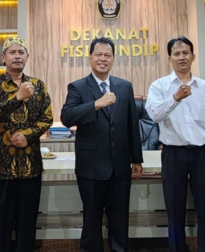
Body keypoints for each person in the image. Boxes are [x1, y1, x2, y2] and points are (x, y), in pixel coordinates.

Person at [61, 37, 143, 252]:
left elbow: (132, 125)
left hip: (120, 167)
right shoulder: (78, 87)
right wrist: (97, 104)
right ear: (90, 57)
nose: (103, 59)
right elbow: (67, 117)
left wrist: (136, 159)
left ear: (113, 59)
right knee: (92, 219)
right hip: (91, 167)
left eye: (108, 55)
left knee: (120, 218)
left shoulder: (124, 86)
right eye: (98, 54)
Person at [0, 37, 53, 252]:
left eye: (21, 52)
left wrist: (28, 135)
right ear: (3, 58)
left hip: (29, 167)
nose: (17, 56)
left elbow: (46, 118)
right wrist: (17, 98)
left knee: (26, 224)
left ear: (27, 57)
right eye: (12, 52)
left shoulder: (38, 85)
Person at [146, 36, 205, 252]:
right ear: (169, 58)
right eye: (176, 53)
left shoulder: (204, 87)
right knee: (174, 208)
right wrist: (175, 98)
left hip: (201, 154)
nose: (181, 57)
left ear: (193, 56)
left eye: (185, 53)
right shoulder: (159, 86)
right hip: (173, 154)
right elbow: (154, 115)